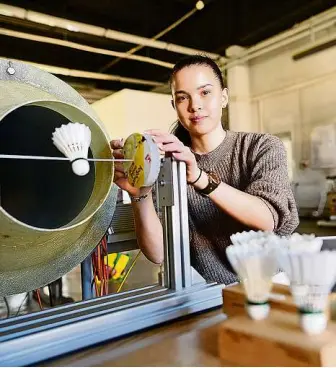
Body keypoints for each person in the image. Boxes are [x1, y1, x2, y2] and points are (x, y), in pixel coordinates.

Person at [111, 55, 299, 285]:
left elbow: (266, 219)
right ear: (175, 106)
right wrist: (139, 194)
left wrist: (199, 177)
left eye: (205, 92)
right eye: (182, 98)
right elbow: (159, 253)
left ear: (224, 97)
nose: (195, 105)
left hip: (272, 289)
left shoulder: (261, 147)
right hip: (209, 297)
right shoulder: (168, 167)